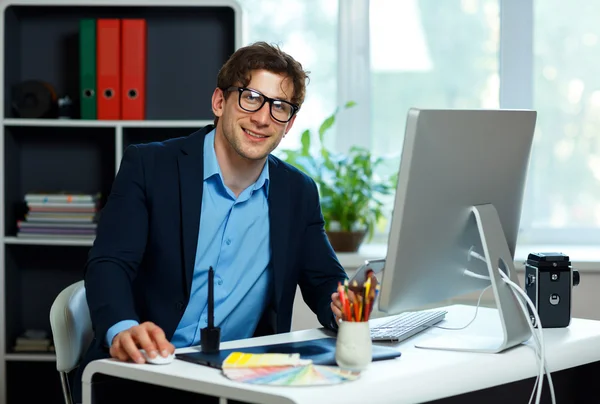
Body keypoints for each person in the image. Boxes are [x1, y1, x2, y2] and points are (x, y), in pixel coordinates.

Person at [72, 41, 353, 403]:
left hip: (238, 383)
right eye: (251, 98)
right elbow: (109, 263)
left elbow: (325, 280)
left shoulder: (297, 192)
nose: (263, 118)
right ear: (219, 102)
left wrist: (342, 306)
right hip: (143, 371)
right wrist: (123, 328)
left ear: (289, 124)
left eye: (280, 107)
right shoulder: (149, 166)